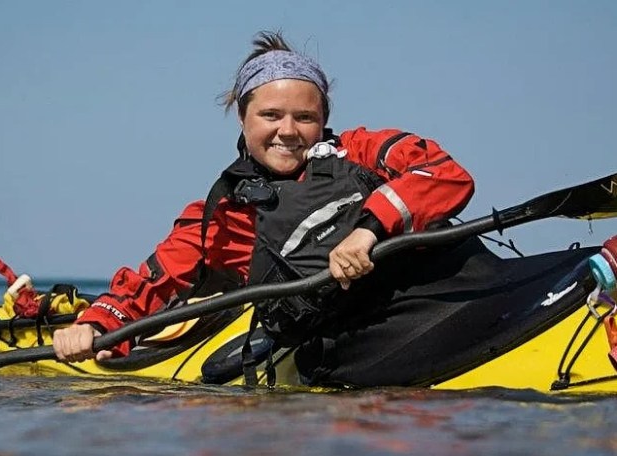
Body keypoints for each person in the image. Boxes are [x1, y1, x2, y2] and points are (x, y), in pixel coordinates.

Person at [53, 31, 475, 385]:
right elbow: (151, 284)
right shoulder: (221, 217)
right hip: (361, 346)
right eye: (271, 115)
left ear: (324, 117)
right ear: (243, 117)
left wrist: (368, 230)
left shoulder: (363, 150)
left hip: (447, 296)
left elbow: (445, 174)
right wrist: (95, 326)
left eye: (305, 117)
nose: (288, 132)